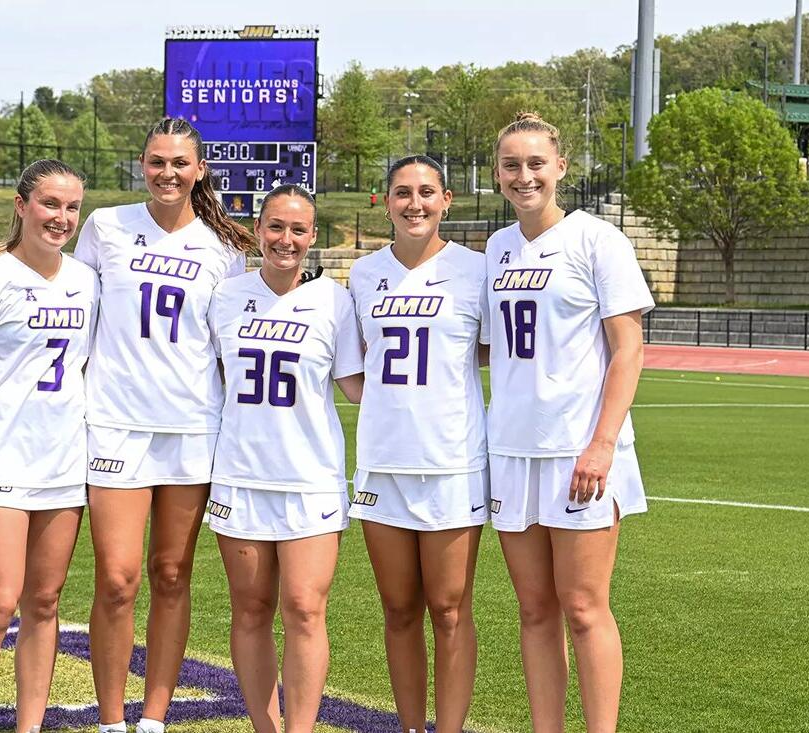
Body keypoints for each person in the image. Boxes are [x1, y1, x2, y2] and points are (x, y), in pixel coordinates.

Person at [72, 117, 254, 733]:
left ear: (199, 169)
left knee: (172, 573)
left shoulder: (223, 249)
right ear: (141, 165)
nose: (168, 173)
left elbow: (230, 346)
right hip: (117, 423)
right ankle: (110, 720)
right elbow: (77, 311)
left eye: (180, 163)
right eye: (156, 162)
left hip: (191, 427)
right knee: (118, 579)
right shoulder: (106, 227)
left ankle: (153, 717)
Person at [485, 112, 654, 733]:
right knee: (534, 611)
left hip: (579, 450)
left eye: (535, 163)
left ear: (560, 167)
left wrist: (602, 443)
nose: (523, 175)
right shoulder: (498, 248)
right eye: (511, 165)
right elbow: (488, 343)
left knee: (583, 608)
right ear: (496, 172)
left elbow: (628, 348)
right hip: (512, 448)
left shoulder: (597, 240)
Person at [0, 159, 96, 733]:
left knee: (46, 603)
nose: (61, 217)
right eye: (50, 204)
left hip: (63, 464)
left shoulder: (86, 280)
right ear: (21, 204)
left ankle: (29, 726)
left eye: (72, 207)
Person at [206, 185, 364, 733]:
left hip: (310, 478)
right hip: (240, 476)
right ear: (257, 229)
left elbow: (357, 386)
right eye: (276, 227)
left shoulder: (334, 302)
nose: (286, 239)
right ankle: (264, 727)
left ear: (312, 236)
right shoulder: (225, 297)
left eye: (298, 230)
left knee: (303, 609)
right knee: (250, 611)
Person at [348, 155, 490, 733]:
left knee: (450, 610)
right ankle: (409, 725)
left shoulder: (477, 270)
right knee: (399, 609)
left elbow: (491, 349)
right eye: (403, 192)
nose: (415, 203)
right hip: (383, 464)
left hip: (452, 462)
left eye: (427, 192)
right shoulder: (361, 275)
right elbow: (356, 369)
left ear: (447, 199)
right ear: (386, 201)